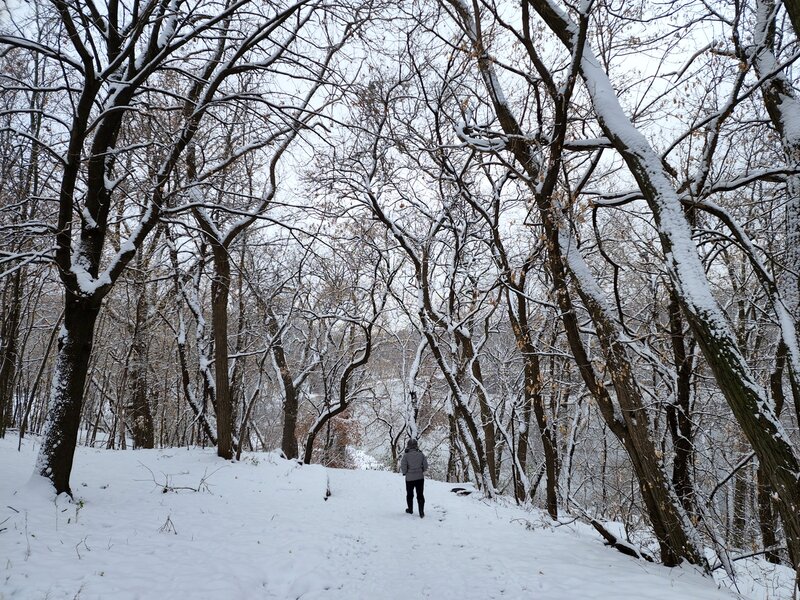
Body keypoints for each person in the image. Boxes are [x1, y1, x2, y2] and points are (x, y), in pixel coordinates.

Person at [400, 438, 428, 518]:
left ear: (408, 445)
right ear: (416, 445)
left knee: (409, 494)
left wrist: (405, 472)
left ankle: (410, 509)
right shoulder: (421, 454)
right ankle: (421, 512)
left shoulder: (406, 455)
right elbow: (425, 465)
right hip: (420, 478)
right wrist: (422, 470)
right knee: (420, 495)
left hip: (409, 478)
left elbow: (403, 466)